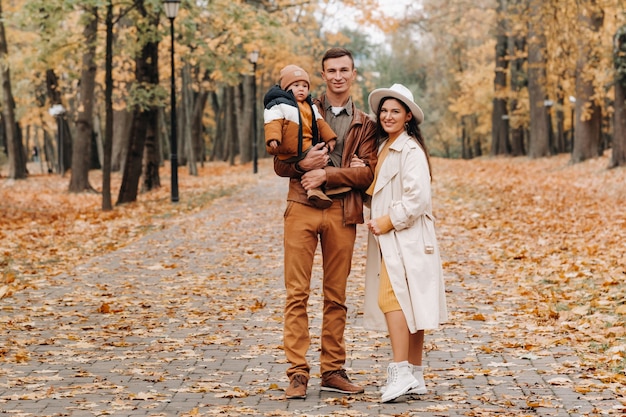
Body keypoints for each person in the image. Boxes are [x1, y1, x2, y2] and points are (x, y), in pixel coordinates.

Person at [273, 48, 378, 399]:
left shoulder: (366, 123)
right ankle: (297, 373)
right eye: (331, 70)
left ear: (353, 74)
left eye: (344, 70)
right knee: (296, 293)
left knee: (336, 295)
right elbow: (280, 165)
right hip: (300, 206)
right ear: (323, 75)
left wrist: (326, 174)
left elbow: (368, 173)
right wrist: (303, 167)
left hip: (342, 212)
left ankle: (332, 370)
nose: (337, 76)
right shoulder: (301, 109)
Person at [361, 83, 448, 403]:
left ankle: (401, 371)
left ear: (408, 115)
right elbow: (382, 190)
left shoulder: (409, 150)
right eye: (384, 110)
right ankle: (416, 373)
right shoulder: (386, 146)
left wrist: (387, 220)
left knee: (393, 298)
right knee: (409, 301)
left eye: (395, 111)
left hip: (406, 237)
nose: (387, 115)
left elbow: (418, 199)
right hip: (395, 238)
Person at [264, 65, 342, 208]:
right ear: (286, 88)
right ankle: (316, 188)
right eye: (296, 85)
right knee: (321, 159)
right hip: (291, 148)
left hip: (305, 145)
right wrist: (273, 138)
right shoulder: (280, 104)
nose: (301, 89)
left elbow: (320, 123)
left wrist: (330, 138)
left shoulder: (310, 106)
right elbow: (272, 122)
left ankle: (315, 190)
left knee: (322, 158)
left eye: (305, 86)